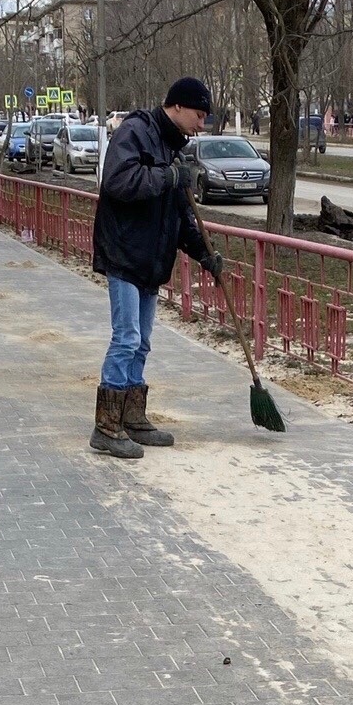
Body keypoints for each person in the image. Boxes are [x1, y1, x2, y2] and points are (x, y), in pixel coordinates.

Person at [89, 77, 223, 460]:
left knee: (142, 341)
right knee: (127, 337)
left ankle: (133, 417)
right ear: (177, 106)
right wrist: (169, 176)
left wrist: (204, 256)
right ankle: (106, 427)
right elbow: (118, 181)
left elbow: (179, 216)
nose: (201, 124)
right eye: (199, 115)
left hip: (150, 258)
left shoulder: (172, 147)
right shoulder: (135, 132)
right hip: (124, 253)